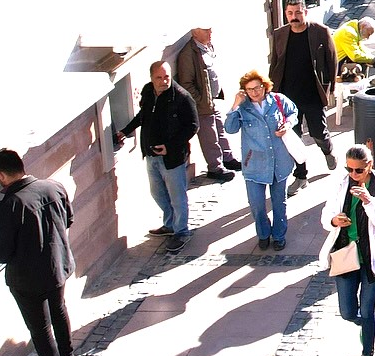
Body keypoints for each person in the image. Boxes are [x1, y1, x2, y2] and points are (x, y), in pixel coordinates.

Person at [0, 149, 75, 356]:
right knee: (59, 312)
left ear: (1, 175)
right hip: (58, 265)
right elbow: (67, 219)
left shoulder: (10, 205)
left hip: (28, 278)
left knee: (40, 327)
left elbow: (2, 253)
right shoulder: (54, 187)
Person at [320, 144, 375, 356]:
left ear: (369, 166)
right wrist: (334, 220)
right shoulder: (341, 183)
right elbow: (326, 215)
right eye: (349, 169)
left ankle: (367, 355)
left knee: (367, 309)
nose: (353, 175)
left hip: (373, 258)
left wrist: (368, 201)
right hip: (346, 254)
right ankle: (365, 328)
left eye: (358, 171)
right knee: (347, 312)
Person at [115, 61, 198, 254]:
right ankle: (169, 224)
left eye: (167, 76)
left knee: (178, 197)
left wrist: (170, 147)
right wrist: (125, 131)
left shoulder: (182, 98)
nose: (164, 81)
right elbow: (143, 115)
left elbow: (192, 126)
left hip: (172, 157)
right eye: (159, 78)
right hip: (151, 154)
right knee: (157, 193)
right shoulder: (148, 92)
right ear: (151, 78)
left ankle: (181, 231)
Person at [223, 70, 299, 250]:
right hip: (254, 164)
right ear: (244, 91)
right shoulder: (242, 107)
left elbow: (293, 112)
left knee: (279, 202)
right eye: (250, 89)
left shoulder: (278, 100)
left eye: (258, 87)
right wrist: (234, 105)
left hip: (279, 161)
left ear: (265, 86)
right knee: (256, 203)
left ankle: (279, 235)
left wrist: (287, 124)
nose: (255, 92)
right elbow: (230, 128)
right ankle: (263, 233)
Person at [267, 0, 338, 186]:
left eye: (298, 12)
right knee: (293, 138)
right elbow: (275, 62)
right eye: (290, 13)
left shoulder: (320, 32)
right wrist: (270, 90)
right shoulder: (280, 34)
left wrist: (331, 88)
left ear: (305, 12)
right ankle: (301, 176)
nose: (294, 17)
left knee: (318, 132)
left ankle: (328, 151)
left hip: (313, 93)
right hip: (288, 97)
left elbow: (332, 60)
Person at [174, 25, 237, 181]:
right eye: (206, 30)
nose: (210, 32)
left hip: (212, 99)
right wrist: (201, 101)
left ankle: (228, 159)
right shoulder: (188, 54)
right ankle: (215, 168)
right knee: (210, 137)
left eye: (210, 29)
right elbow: (186, 83)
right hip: (202, 104)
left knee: (220, 130)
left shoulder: (207, 47)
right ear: (195, 32)